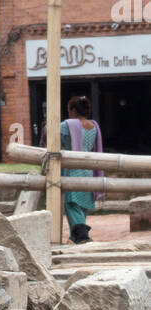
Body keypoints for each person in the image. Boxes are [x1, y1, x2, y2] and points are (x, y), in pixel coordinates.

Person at [60, 95, 103, 244]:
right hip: (89, 168)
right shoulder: (94, 126)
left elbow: (53, 136)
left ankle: (81, 236)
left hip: (72, 169)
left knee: (71, 204)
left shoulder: (67, 125)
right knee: (82, 205)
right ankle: (75, 236)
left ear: (72, 110)